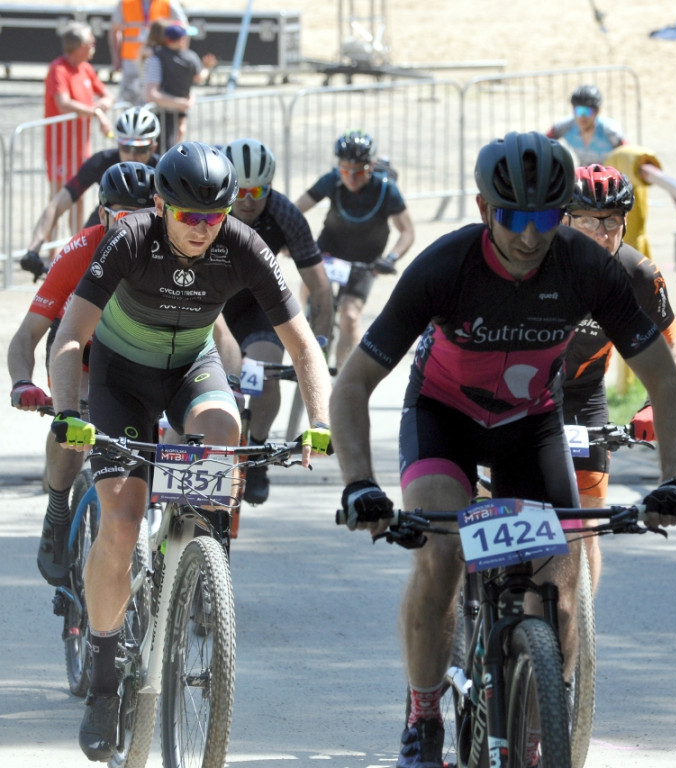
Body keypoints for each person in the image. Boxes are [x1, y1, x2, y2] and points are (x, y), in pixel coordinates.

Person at [331, 130, 676, 768]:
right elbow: (354, 383)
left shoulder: (590, 269)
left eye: (546, 218)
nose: (530, 236)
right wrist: (360, 483)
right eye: (513, 218)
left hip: (532, 424)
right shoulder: (446, 266)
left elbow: (665, 379)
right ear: (483, 209)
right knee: (441, 552)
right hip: (443, 417)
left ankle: (539, 722)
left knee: (561, 580)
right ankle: (423, 716)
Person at [46, 141, 333, 761]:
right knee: (120, 526)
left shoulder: (244, 246)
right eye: (189, 217)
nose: (203, 230)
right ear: (159, 205)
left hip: (190, 369)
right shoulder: (127, 239)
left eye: (215, 217)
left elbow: (304, 345)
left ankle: (202, 559)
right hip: (120, 377)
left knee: (224, 429)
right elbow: (70, 338)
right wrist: (69, 413)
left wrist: (319, 420)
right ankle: (102, 672)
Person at [9, 162, 155, 587]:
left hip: (138, 360)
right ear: (103, 213)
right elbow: (26, 336)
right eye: (119, 217)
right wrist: (23, 381)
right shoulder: (81, 248)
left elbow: (217, 338)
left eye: (141, 216)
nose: (129, 227)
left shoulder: (168, 251)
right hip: (83, 358)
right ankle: (58, 510)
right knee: (75, 426)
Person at [561, 163, 676, 591]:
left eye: (611, 221)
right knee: (494, 504)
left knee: (588, 523)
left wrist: (654, 404)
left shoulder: (640, 276)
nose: (601, 232)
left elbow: (669, 346)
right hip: (519, 392)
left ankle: (576, 632)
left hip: (581, 395)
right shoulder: (536, 263)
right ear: (564, 220)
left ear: (625, 222)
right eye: (587, 220)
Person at [222, 138, 334, 504]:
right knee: (224, 379)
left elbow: (319, 288)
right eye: (240, 190)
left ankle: (255, 455)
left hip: (256, 304)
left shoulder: (285, 214)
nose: (249, 199)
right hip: (212, 303)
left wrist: (318, 343)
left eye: (259, 190)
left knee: (266, 371)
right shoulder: (210, 207)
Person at [295, 130, 415, 366]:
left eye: (358, 171)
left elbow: (407, 232)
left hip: (366, 260)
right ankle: (309, 322)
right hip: (330, 250)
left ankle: (343, 377)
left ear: (370, 166)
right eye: (345, 170)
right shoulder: (332, 180)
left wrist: (390, 258)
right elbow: (295, 210)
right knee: (310, 289)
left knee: (350, 316)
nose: (350, 177)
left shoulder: (386, 188)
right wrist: (291, 241)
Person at [21, 106, 161, 280]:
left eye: (140, 150)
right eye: (125, 148)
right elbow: (57, 204)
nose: (132, 155)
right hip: (103, 229)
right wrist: (33, 249)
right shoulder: (101, 162)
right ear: (118, 143)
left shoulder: (163, 171)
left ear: (153, 147)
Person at [43, 22, 115, 228]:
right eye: (91, 42)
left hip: (80, 147)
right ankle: (50, 254)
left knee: (79, 197)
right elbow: (63, 103)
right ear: (80, 46)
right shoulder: (58, 69)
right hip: (60, 147)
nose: (94, 46)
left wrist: (104, 104)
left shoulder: (86, 68)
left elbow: (107, 94)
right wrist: (96, 111)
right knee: (58, 198)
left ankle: (76, 244)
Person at [143, 20, 217, 153]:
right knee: (169, 146)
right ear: (181, 39)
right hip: (171, 109)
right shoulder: (190, 57)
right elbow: (199, 77)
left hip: (165, 109)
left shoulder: (157, 54)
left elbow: (144, 52)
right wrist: (206, 68)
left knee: (165, 145)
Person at [107, 0, 188, 106]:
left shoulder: (168, 3)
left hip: (157, 59)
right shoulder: (125, 3)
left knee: (152, 97)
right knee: (129, 98)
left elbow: (183, 28)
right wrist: (116, 57)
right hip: (131, 58)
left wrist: (180, 55)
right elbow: (114, 30)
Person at [546, 84, 626, 166]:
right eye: (579, 110)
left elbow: (627, 152)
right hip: (584, 173)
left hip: (610, 174)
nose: (582, 116)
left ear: (597, 111)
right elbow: (543, 142)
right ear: (573, 110)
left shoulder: (611, 131)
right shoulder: (564, 127)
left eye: (587, 111)